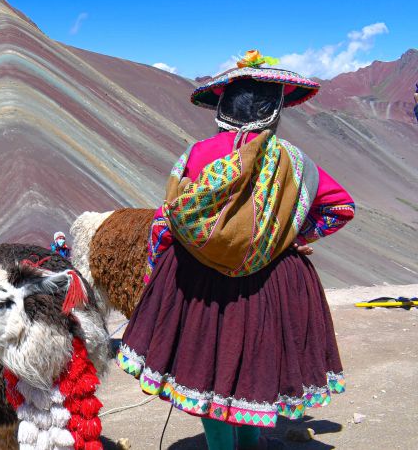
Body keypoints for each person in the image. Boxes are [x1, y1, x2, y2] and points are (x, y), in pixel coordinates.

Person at [117, 51, 355, 450]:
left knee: (204, 370)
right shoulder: (294, 161)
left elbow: (168, 218)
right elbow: (341, 207)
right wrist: (292, 237)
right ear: (274, 110)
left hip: (197, 281)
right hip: (272, 283)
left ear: (223, 109)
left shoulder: (193, 156)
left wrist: (156, 275)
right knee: (255, 371)